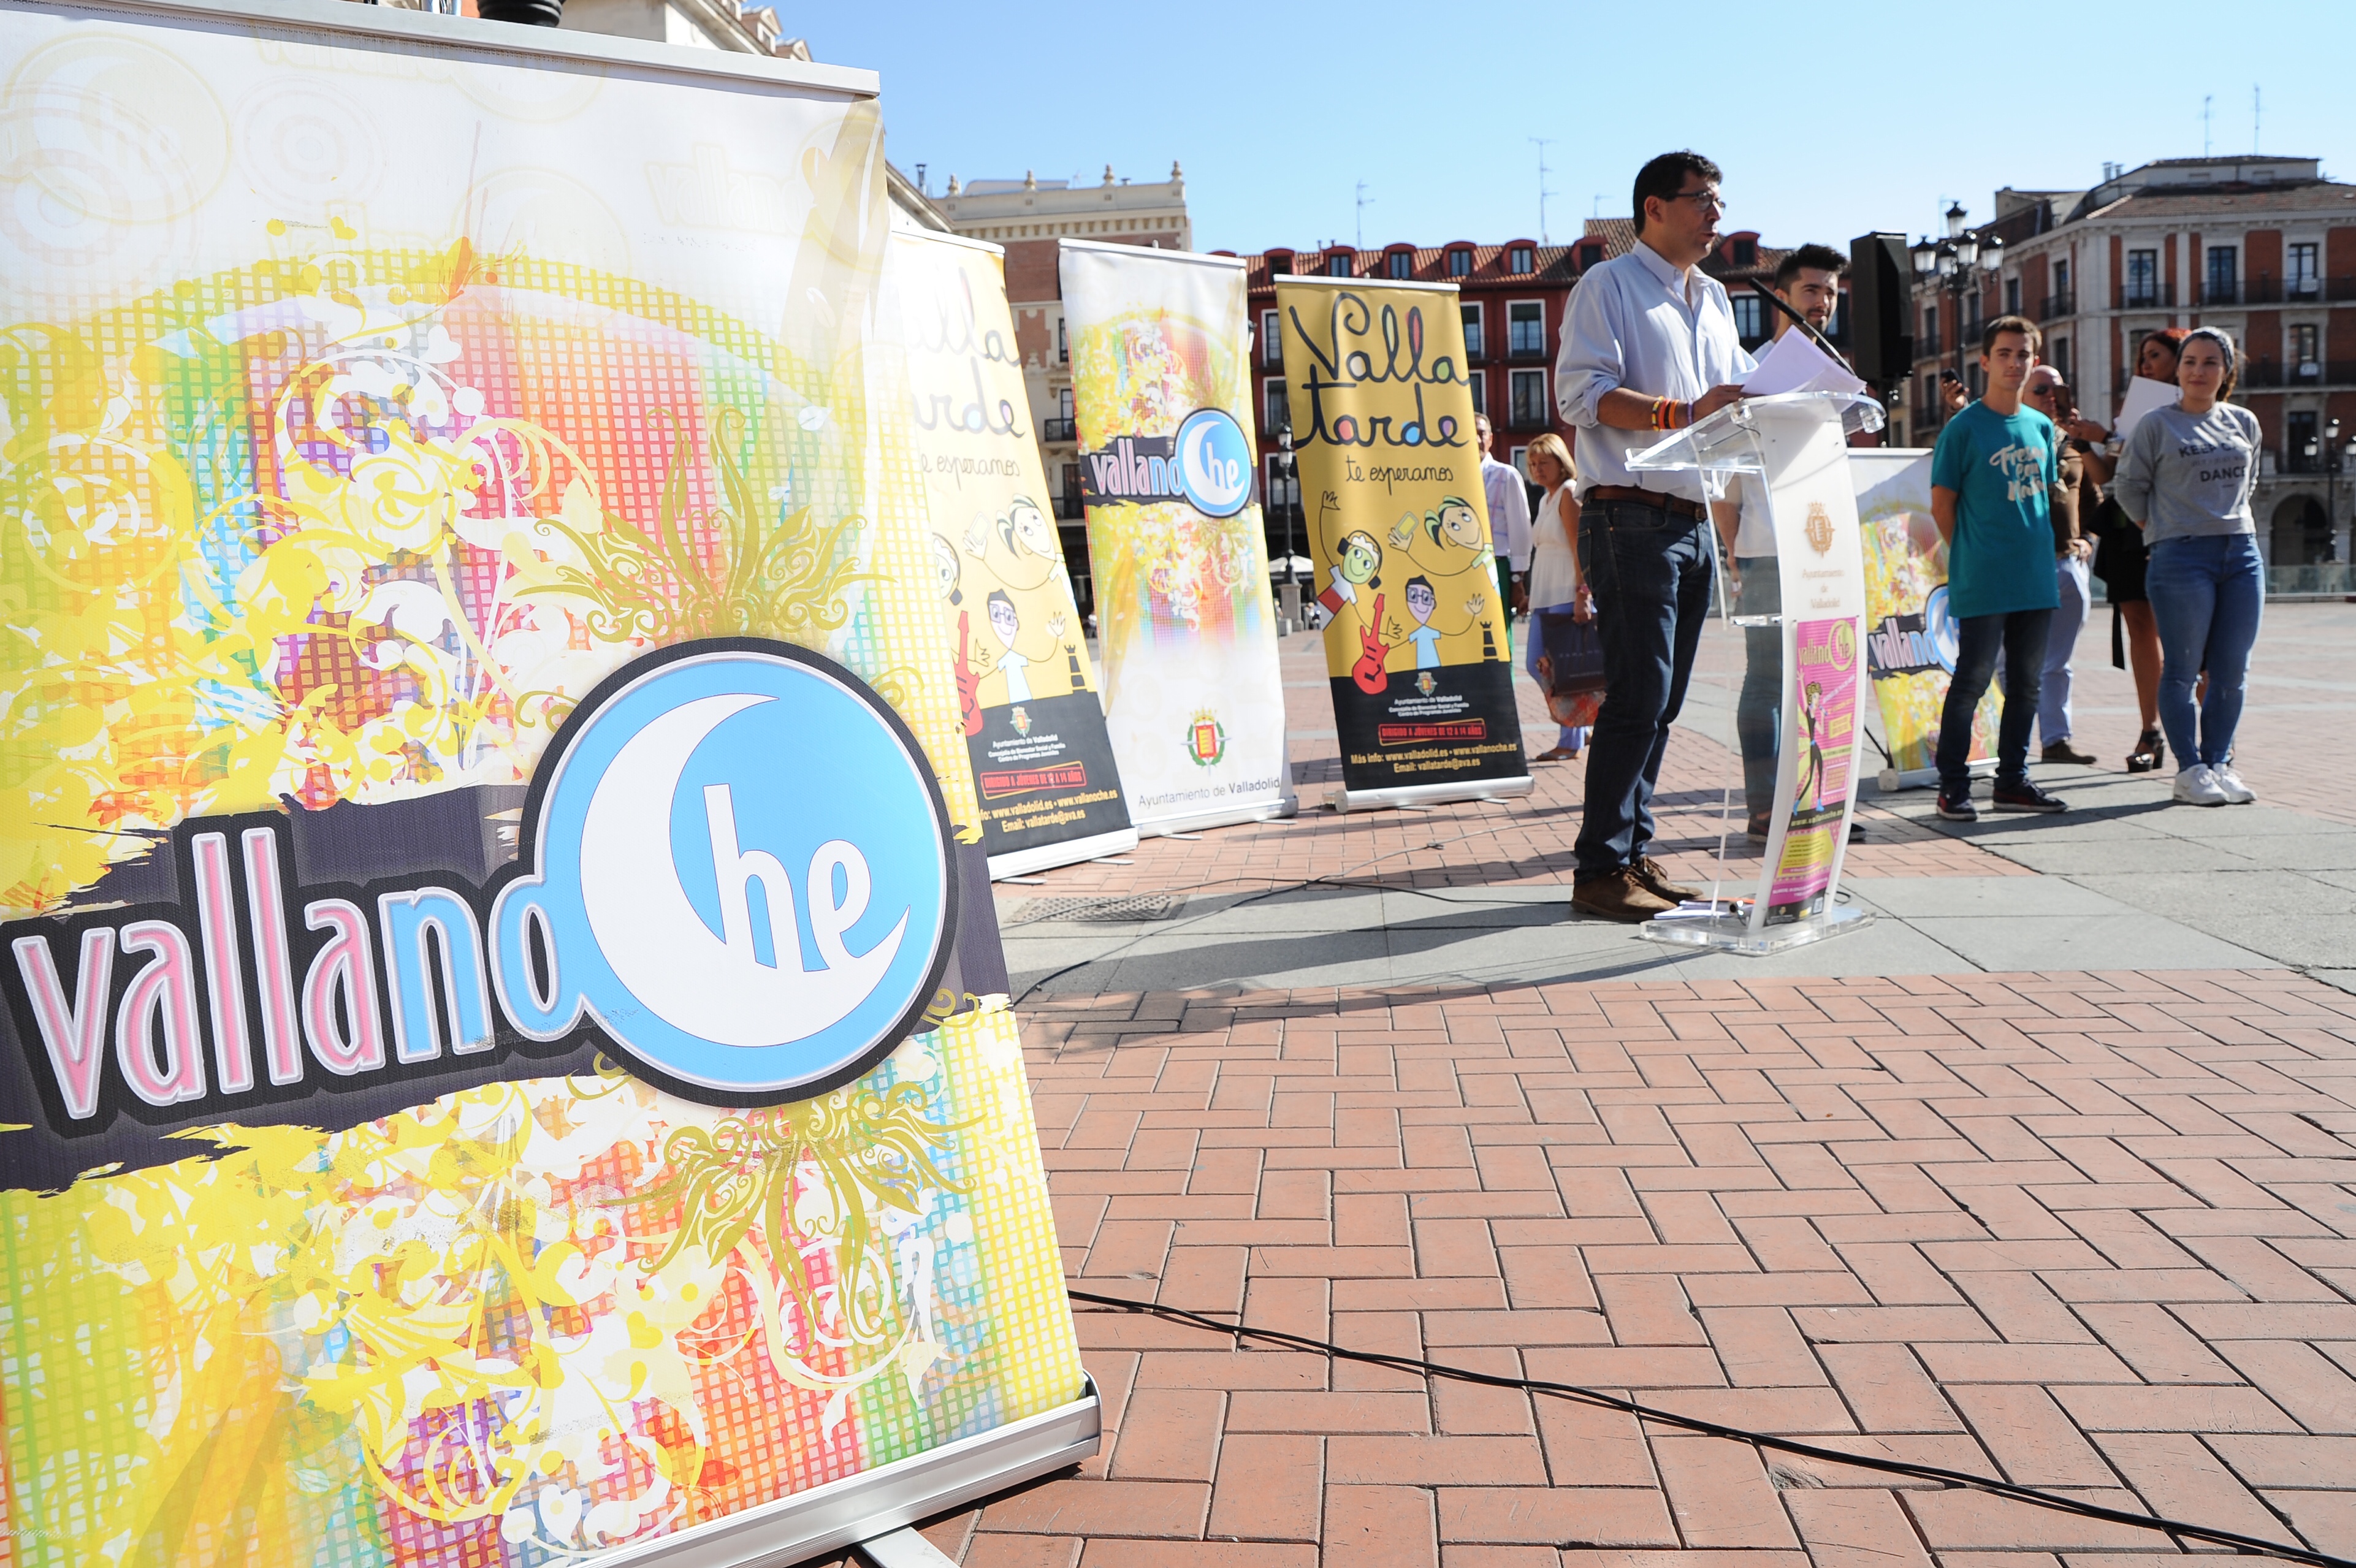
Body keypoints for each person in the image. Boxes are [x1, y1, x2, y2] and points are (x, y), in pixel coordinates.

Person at [1554, 150, 1752, 920]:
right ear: (1654, 208)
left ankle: (1633, 855)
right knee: (1638, 696)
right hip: (1629, 515)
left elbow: (1734, 397)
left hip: (1693, 519)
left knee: (1663, 703)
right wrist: (1683, 412)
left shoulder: (1716, 298)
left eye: (1719, 202)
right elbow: (1582, 395)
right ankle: (1600, 870)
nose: (1716, 215)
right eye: (1702, 200)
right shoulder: (1607, 286)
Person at [1710, 242, 1846, 837]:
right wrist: (1733, 554)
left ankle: (1815, 798)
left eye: (1831, 292)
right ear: (1782, 298)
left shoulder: (1836, 377)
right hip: (1767, 551)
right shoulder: (1752, 377)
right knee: (1767, 680)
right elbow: (1725, 484)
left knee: (1820, 679)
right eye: (1811, 290)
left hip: (1824, 551)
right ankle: (1765, 806)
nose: (1823, 302)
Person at [2110, 327, 2262, 807]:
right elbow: (2127, 486)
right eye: (2190, 361)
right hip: (2179, 555)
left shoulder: (2244, 422)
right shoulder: (2156, 424)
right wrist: (2161, 529)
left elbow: (2249, 482)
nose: (2199, 371)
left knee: (2231, 670)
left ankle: (2218, 764)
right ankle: (2188, 768)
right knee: (2180, 669)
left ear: (2226, 370)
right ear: (2177, 370)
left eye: (2210, 362)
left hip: (2241, 551)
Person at [1929, 316, 2069, 822]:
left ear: (2034, 361)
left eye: (2022, 355)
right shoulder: (1962, 429)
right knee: (1971, 681)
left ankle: (2012, 782)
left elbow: (2043, 498)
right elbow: (1941, 506)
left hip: (2035, 577)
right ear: (1984, 361)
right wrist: (1971, 554)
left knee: (2027, 685)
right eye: (2004, 354)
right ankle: (1952, 787)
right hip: (1983, 576)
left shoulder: (2041, 427)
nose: (2014, 363)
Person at [2080, 328, 2187, 771]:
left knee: (2190, 637)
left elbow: (2162, 459)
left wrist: (2106, 434)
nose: (2145, 364)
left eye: (2155, 355)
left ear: (2179, 360)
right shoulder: (2137, 405)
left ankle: (2211, 739)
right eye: (2142, 356)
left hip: (2174, 529)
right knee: (2140, 632)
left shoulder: (2192, 408)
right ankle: (2151, 731)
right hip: (2128, 532)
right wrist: (2084, 442)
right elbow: (2108, 474)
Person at [2019, 365, 2097, 764]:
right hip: (2023, 566)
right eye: (2041, 390)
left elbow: (2095, 501)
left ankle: (2055, 741)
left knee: (2057, 664)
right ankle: (2006, 747)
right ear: (2021, 394)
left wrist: (2088, 539)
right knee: (2009, 662)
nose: (2051, 396)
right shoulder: (2013, 440)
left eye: (2058, 389)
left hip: (2067, 566)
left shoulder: (2072, 445)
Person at [1522, 432, 1591, 761]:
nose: (1537, 469)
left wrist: (1582, 593)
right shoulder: (1545, 498)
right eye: (1533, 464)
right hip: (1545, 594)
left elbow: (1580, 547)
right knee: (1539, 664)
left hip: (1565, 591)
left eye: (1544, 463)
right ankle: (1580, 726)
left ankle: (1571, 738)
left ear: (1561, 463)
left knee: (1558, 667)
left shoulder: (1568, 494)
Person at [1474, 414, 1532, 658]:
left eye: (1481, 433)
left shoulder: (1506, 475)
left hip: (1496, 567)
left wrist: (1518, 578)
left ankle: (1505, 683)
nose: (1475, 439)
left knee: (1498, 639)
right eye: (1469, 433)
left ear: (1490, 439)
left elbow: (1521, 529)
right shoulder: (1450, 476)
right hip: (1462, 571)